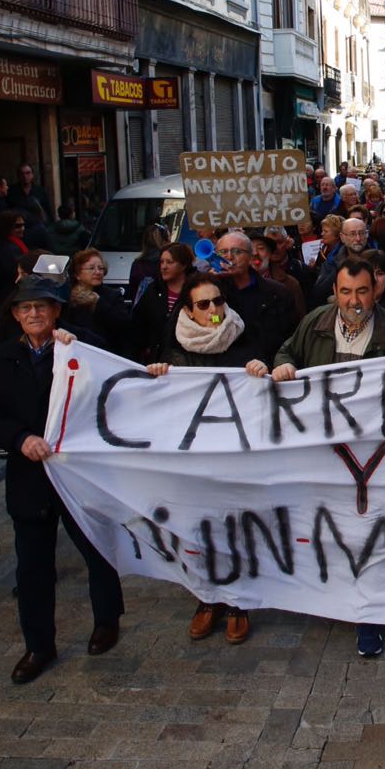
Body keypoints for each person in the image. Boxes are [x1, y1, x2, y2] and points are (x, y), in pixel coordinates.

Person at [246, 258, 385, 660]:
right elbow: (288, 351)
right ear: (335, 292)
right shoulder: (316, 322)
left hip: (375, 454)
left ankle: (368, 615)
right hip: (324, 453)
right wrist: (283, 364)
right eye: (346, 292)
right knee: (333, 530)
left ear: (374, 291)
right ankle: (332, 597)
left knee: (369, 533)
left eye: (361, 292)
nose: (354, 301)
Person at [0, 277, 123, 684]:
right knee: (32, 566)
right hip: (31, 475)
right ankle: (38, 645)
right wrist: (19, 438)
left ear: (56, 311)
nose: (34, 315)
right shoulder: (3, 357)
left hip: (79, 471)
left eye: (42, 307)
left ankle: (107, 620)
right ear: (15, 315)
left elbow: (118, 379)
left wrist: (74, 344)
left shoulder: (80, 346)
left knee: (96, 548)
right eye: (26, 309)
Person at [146, 273, 262, 646]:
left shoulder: (243, 342)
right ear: (188, 310)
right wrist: (158, 375)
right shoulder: (175, 350)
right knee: (197, 529)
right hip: (193, 459)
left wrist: (261, 371)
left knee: (234, 527)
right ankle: (206, 597)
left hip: (234, 455)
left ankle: (237, 603)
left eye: (218, 302)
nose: (213, 310)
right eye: (203, 304)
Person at [214, 231, 297, 367]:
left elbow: (289, 339)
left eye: (236, 252)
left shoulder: (277, 293)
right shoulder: (211, 293)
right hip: (224, 373)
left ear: (250, 256)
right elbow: (210, 322)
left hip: (265, 371)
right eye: (223, 252)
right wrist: (209, 286)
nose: (229, 257)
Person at [131, 241, 193, 363]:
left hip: (188, 361)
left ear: (184, 265)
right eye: (161, 262)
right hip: (156, 361)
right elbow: (138, 324)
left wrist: (213, 319)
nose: (163, 266)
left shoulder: (199, 290)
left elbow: (216, 318)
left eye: (170, 262)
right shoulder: (153, 290)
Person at [61, 248, 130, 349]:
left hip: (106, 351)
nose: (97, 272)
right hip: (78, 351)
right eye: (91, 268)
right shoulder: (68, 297)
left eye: (101, 268)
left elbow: (123, 325)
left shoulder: (113, 295)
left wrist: (99, 303)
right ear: (77, 275)